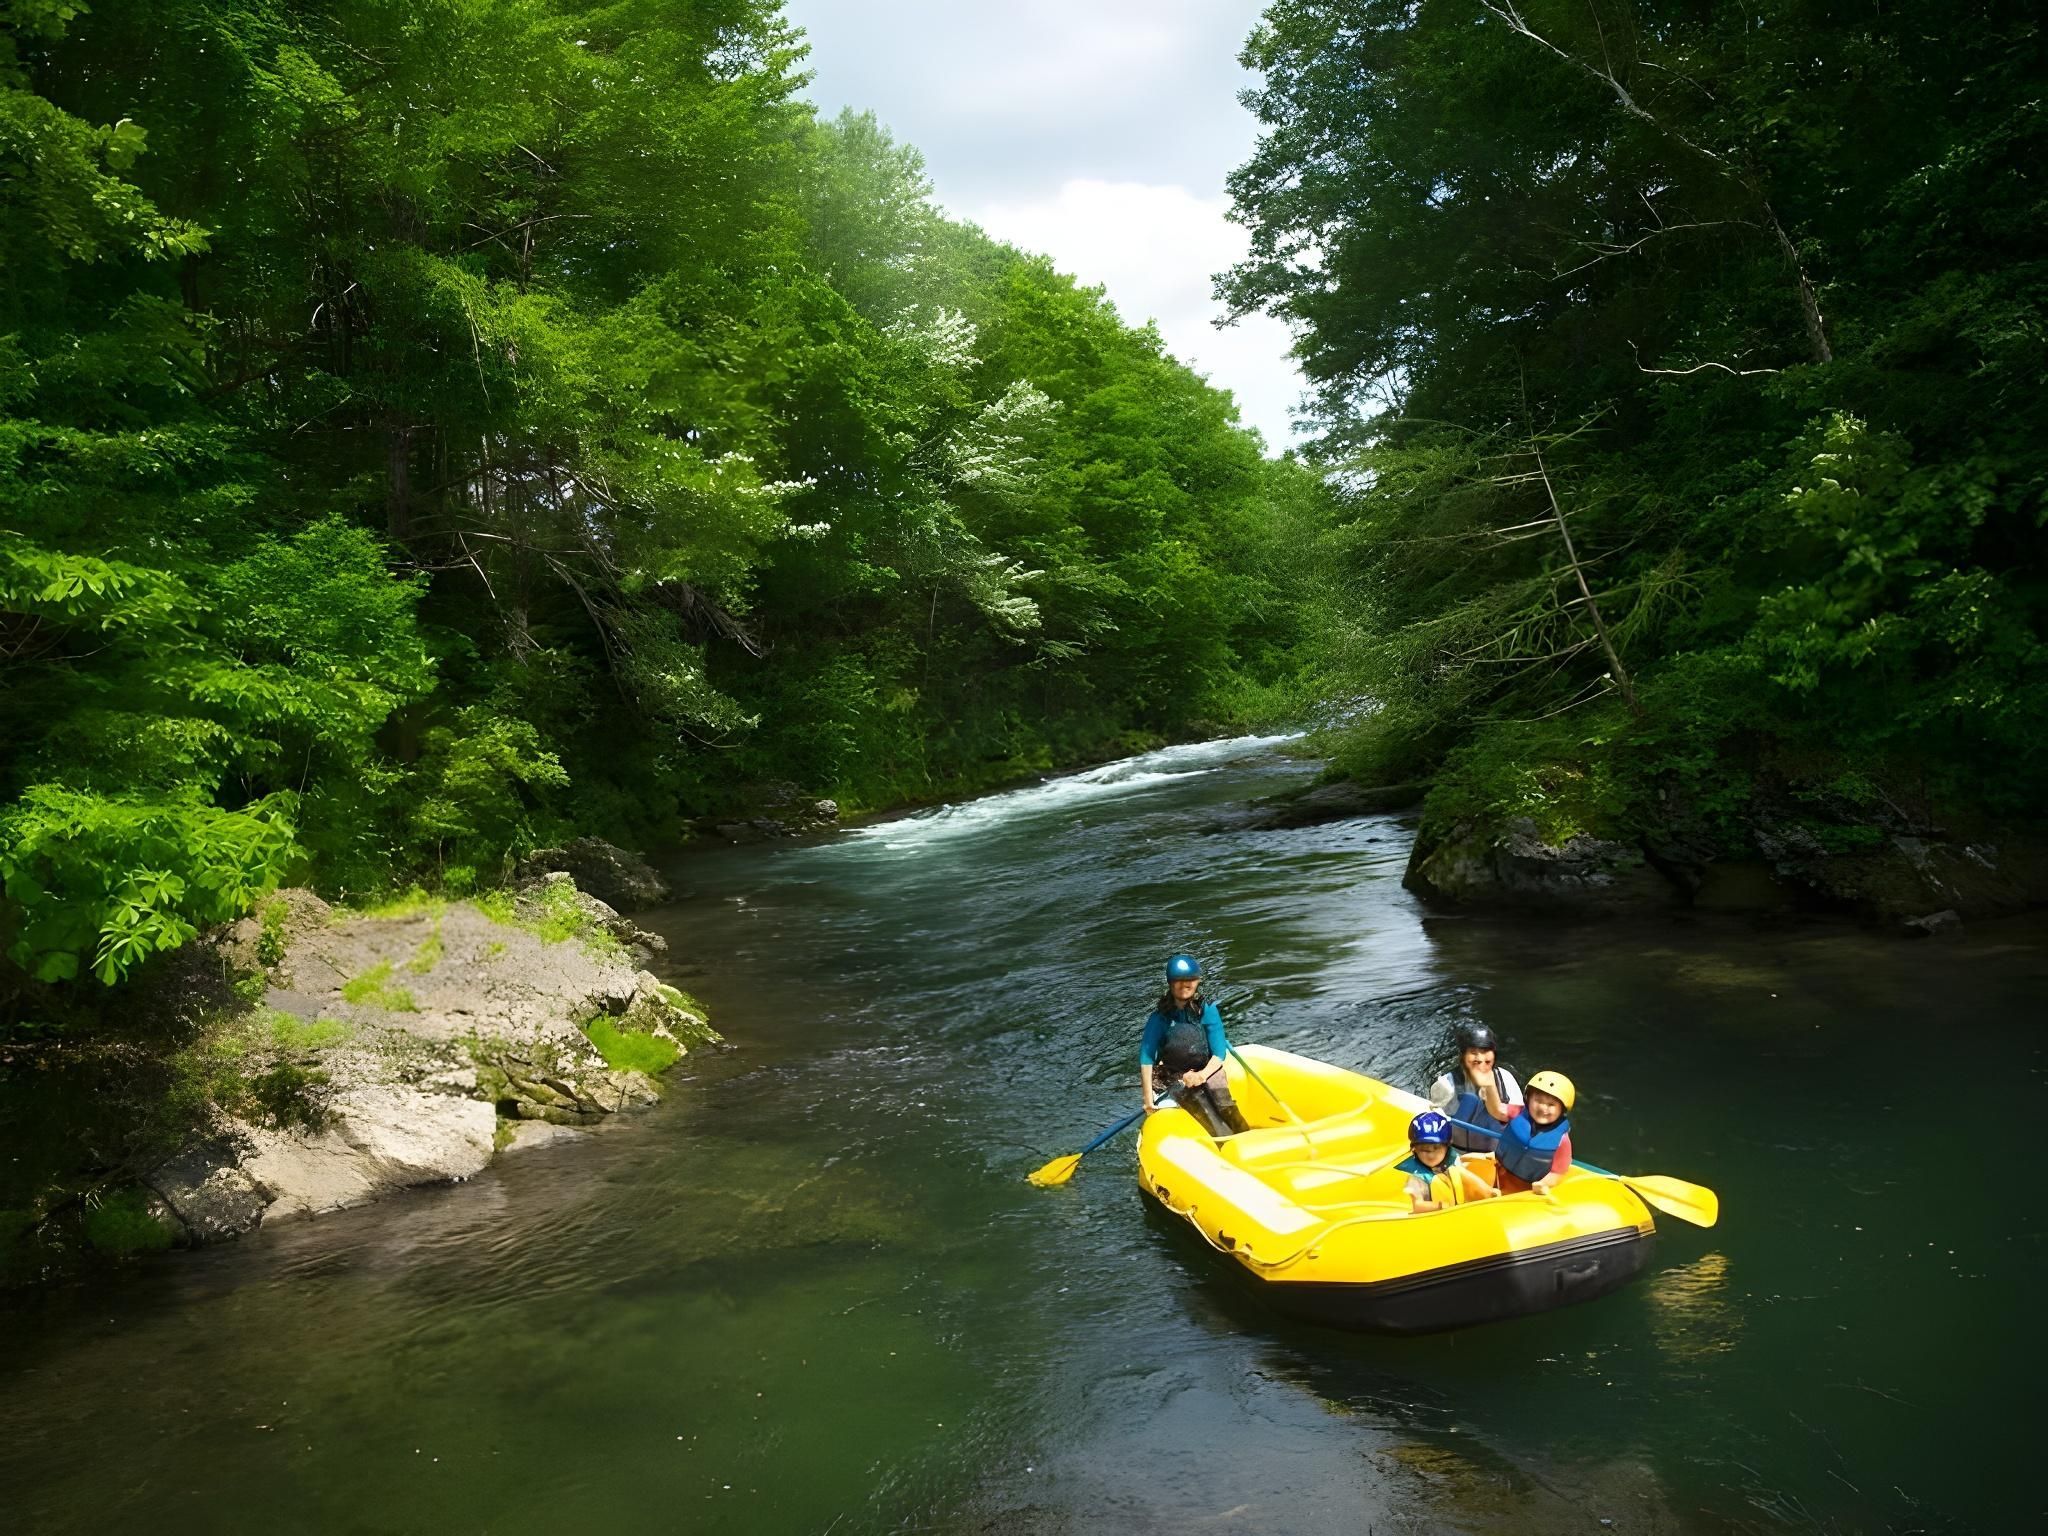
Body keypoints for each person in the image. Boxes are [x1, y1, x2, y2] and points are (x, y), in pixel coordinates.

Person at [1139, 954, 1250, 1137]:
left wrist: (1201, 1075)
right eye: (1179, 981)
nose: (1185, 985)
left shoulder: (1208, 1009)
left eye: (1190, 980)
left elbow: (1219, 1054)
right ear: (1170, 983)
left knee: (1225, 1105)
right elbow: (1146, 1058)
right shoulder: (1159, 1018)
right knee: (1211, 1119)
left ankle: (1246, 1138)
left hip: (1208, 1068)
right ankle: (1224, 1145)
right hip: (1175, 1076)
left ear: (1198, 981)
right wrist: (1147, 1100)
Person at [1470, 1067, 1575, 1196]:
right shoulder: (1518, 1113)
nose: (1543, 1108)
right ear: (1528, 1099)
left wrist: (1543, 1184)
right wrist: (1489, 1085)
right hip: (1499, 1174)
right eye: (1538, 1101)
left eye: (1551, 1104)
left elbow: (1557, 1172)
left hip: (1526, 1189)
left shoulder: (1562, 1140)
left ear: (1562, 1110)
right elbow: (1497, 1110)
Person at [1428, 1023, 1524, 1152]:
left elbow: (1517, 1121)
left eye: (1485, 1052)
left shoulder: (1505, 1078)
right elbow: (1435, 1125)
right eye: (1473, 1053)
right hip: (1458, 1155)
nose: (1480, 1058)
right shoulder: (1446, 1085)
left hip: (1497, 1155)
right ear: (1462, 1056)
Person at [1397, 1111, 1499, 1213]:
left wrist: (1485, 1157)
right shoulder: (1416, 1177)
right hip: (1436, 1218)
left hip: (1457, 1211)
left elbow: (1463, 1160)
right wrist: (1440, 1206)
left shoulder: (1450, 1162)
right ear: (1415, 1149)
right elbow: (1417, 1206)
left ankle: (1489, 1193)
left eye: (1436, 1148)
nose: (1431, 1155)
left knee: (1459, 1171)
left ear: (1447, 1147)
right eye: (1424, 1150)